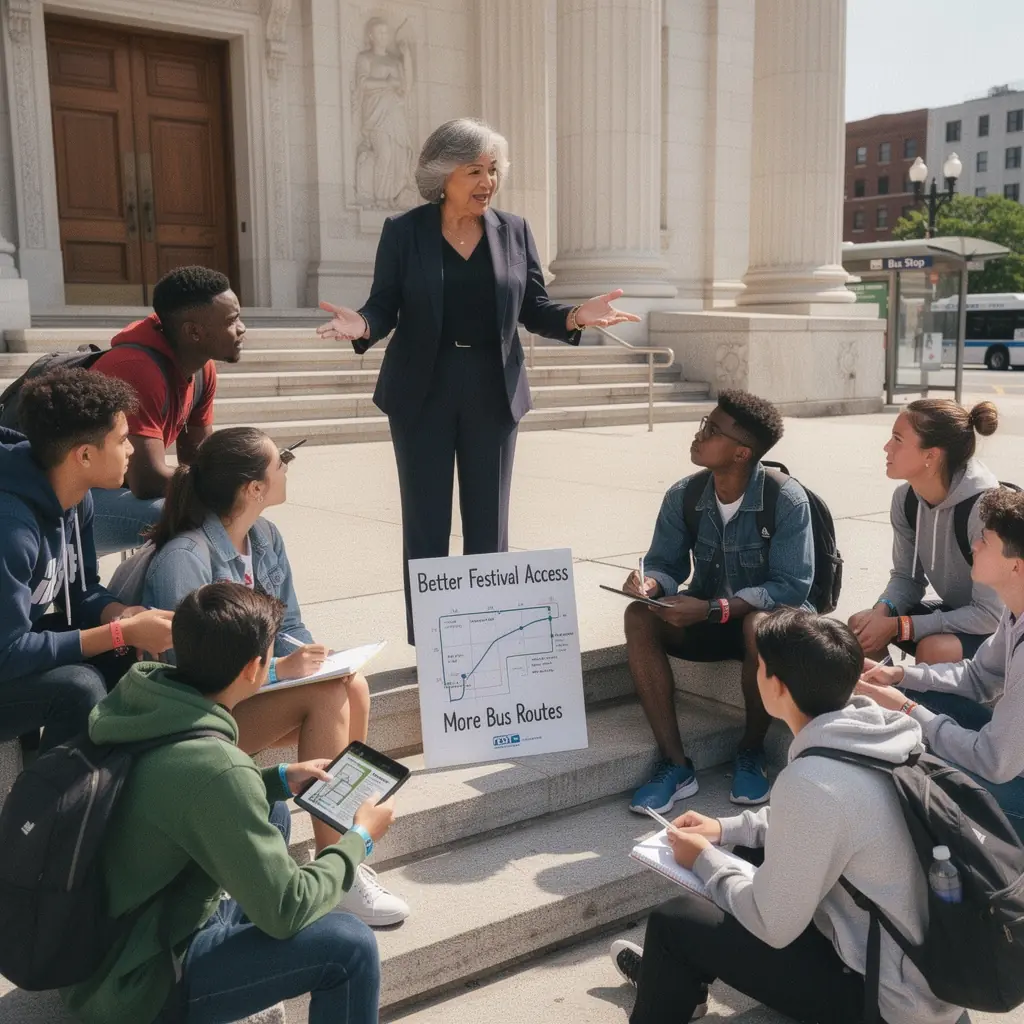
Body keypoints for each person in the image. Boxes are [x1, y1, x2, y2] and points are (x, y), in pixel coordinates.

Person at [317, 117, 641, 642]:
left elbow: (533, 307)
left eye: (493, 169)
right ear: (443, 174)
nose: (488, 181)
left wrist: (576, 315)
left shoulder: (514, 230)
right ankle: (433, 647)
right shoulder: (404, 231)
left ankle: (484, 643)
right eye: (474, 170)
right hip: (422, 390)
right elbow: (384, 303)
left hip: (493, 389)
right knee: (425, 525)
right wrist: (365, 325)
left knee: (489, 527)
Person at [60, 582, 394, 1024]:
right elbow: (288, 909)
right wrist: (357, 840)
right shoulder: (217, 767)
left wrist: (278, 779)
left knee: (273, 810)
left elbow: (176, 790)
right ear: (254, 669)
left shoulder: (142, 704)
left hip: (105, 947)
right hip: (139, 985)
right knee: (350, 945)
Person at [609, 609, 962, 1024]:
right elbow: (820, 821)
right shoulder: (882, 739)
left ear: (776, 686)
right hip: (930, 974)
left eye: (757, 665)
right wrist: (724, 828)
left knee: (673, 924)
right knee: (747, 849)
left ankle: (669, 974)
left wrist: (704, 859)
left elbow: (772, 923)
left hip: (886, 1003)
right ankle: (677, 981)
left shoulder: (813, 782)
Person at [140, 425, 408, 925]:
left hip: (243, 699)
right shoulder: (185, 559)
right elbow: (189, 673)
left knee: (352, 685)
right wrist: (282, 671)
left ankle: (344, 852)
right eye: (281, 460)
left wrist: (317, 659)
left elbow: (291, 627)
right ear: (253, 488)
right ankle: (338, 868)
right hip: (196, 723)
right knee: (327, 697)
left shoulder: (264, 537)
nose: (287, 467)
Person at [623, 391, 814, 810]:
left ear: (742, 453)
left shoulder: (786, 499)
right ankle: (675, 764)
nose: (699, 435)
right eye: (704, 424)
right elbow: (665, 564)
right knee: (638, 615)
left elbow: (791, 587)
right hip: (708, 618)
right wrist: (650, 584)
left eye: (712, 430)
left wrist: (717, 608)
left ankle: (751, 751)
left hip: (767, 632)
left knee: (758, 623)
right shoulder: (685, 495)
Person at [0, 370, 174, 753]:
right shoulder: (10, 526)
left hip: (11, 648)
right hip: (5, 657)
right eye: (122, 440)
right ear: (84, 455)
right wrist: (120, 632)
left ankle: (117, 775)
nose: (131, 450)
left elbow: (81, 591)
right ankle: (51, 792)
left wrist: (123, 616)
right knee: (78, 687)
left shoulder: (77, 498)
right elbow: (6, 655)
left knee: (123, 653)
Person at [859, 488, 1024, 840]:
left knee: (906, 761)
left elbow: (993, 761)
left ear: (1016, 565)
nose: (974, 545)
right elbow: (978, 675)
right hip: (1010, 760)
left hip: (1011, 779)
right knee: (911, 695)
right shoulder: (1016, 613)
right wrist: (899, 674)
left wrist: (906, 709)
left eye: (985, 541)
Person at [89, 266, 246, 556]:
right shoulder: (136, 369)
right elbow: (147, 480)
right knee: (197, 518)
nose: (242, 328)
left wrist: (244, 472)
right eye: (231, 320)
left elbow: (197, 458)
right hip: (58, 502)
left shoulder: (202, 370)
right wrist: (231, 486)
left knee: (232, 514)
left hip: (114, 490)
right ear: (193, 332)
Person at [849, 398, 1003, 665]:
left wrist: (901, 626)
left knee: (934, 649)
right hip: (962, 614)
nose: (887, 447)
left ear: (930, 455)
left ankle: (913, 691)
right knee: (861, 627)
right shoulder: (905, 500)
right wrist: (882, 611)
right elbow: (907, 578)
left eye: (898, 439)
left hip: (1005, 629)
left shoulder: (984, 510)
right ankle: (890, 688)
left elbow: (990, 614)